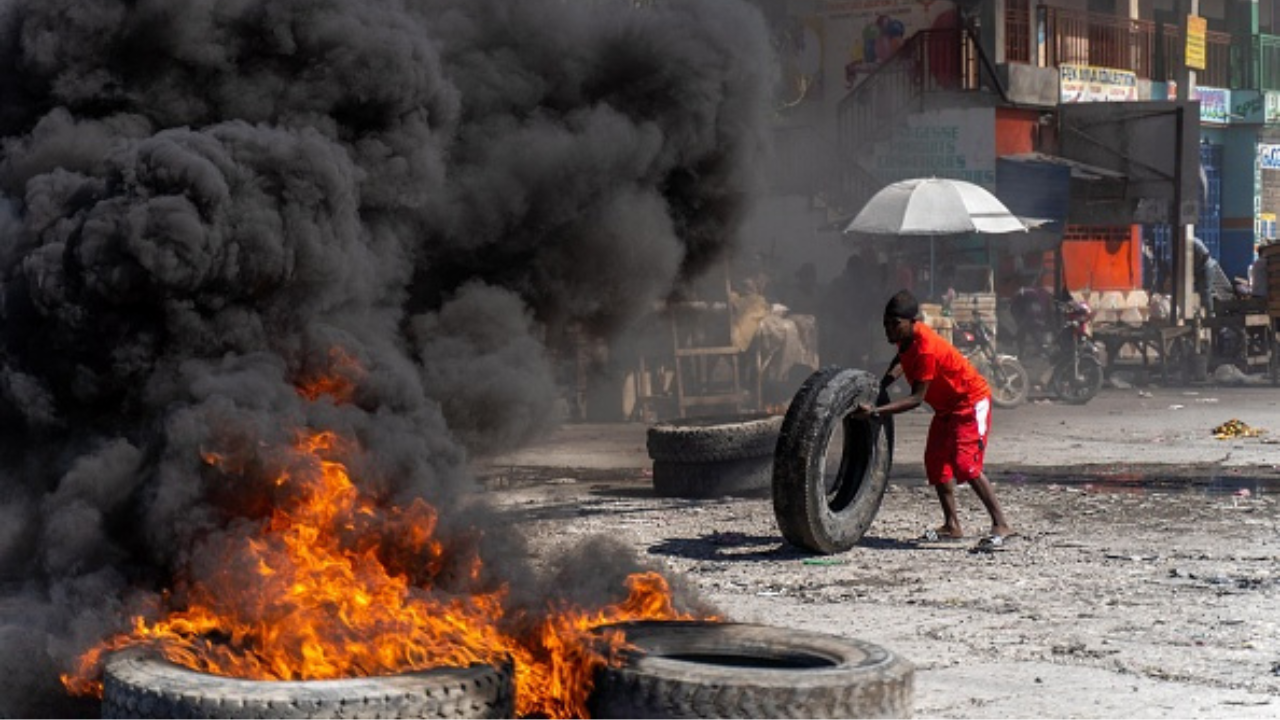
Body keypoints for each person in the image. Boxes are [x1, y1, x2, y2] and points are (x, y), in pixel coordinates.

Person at [853, 289, 1014, 549]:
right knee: (936, 462)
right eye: (886, 324)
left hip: (969, 402)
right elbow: (901, 359)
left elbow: (916, 399)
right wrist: (883, 385)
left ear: (911, 321)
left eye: (895, 324)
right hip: (946, 408)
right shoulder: (906, 340)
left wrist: (875, 412)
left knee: (966, 464)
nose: (889, 330)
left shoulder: (926, 349)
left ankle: (1001, 523)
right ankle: (952, 526)